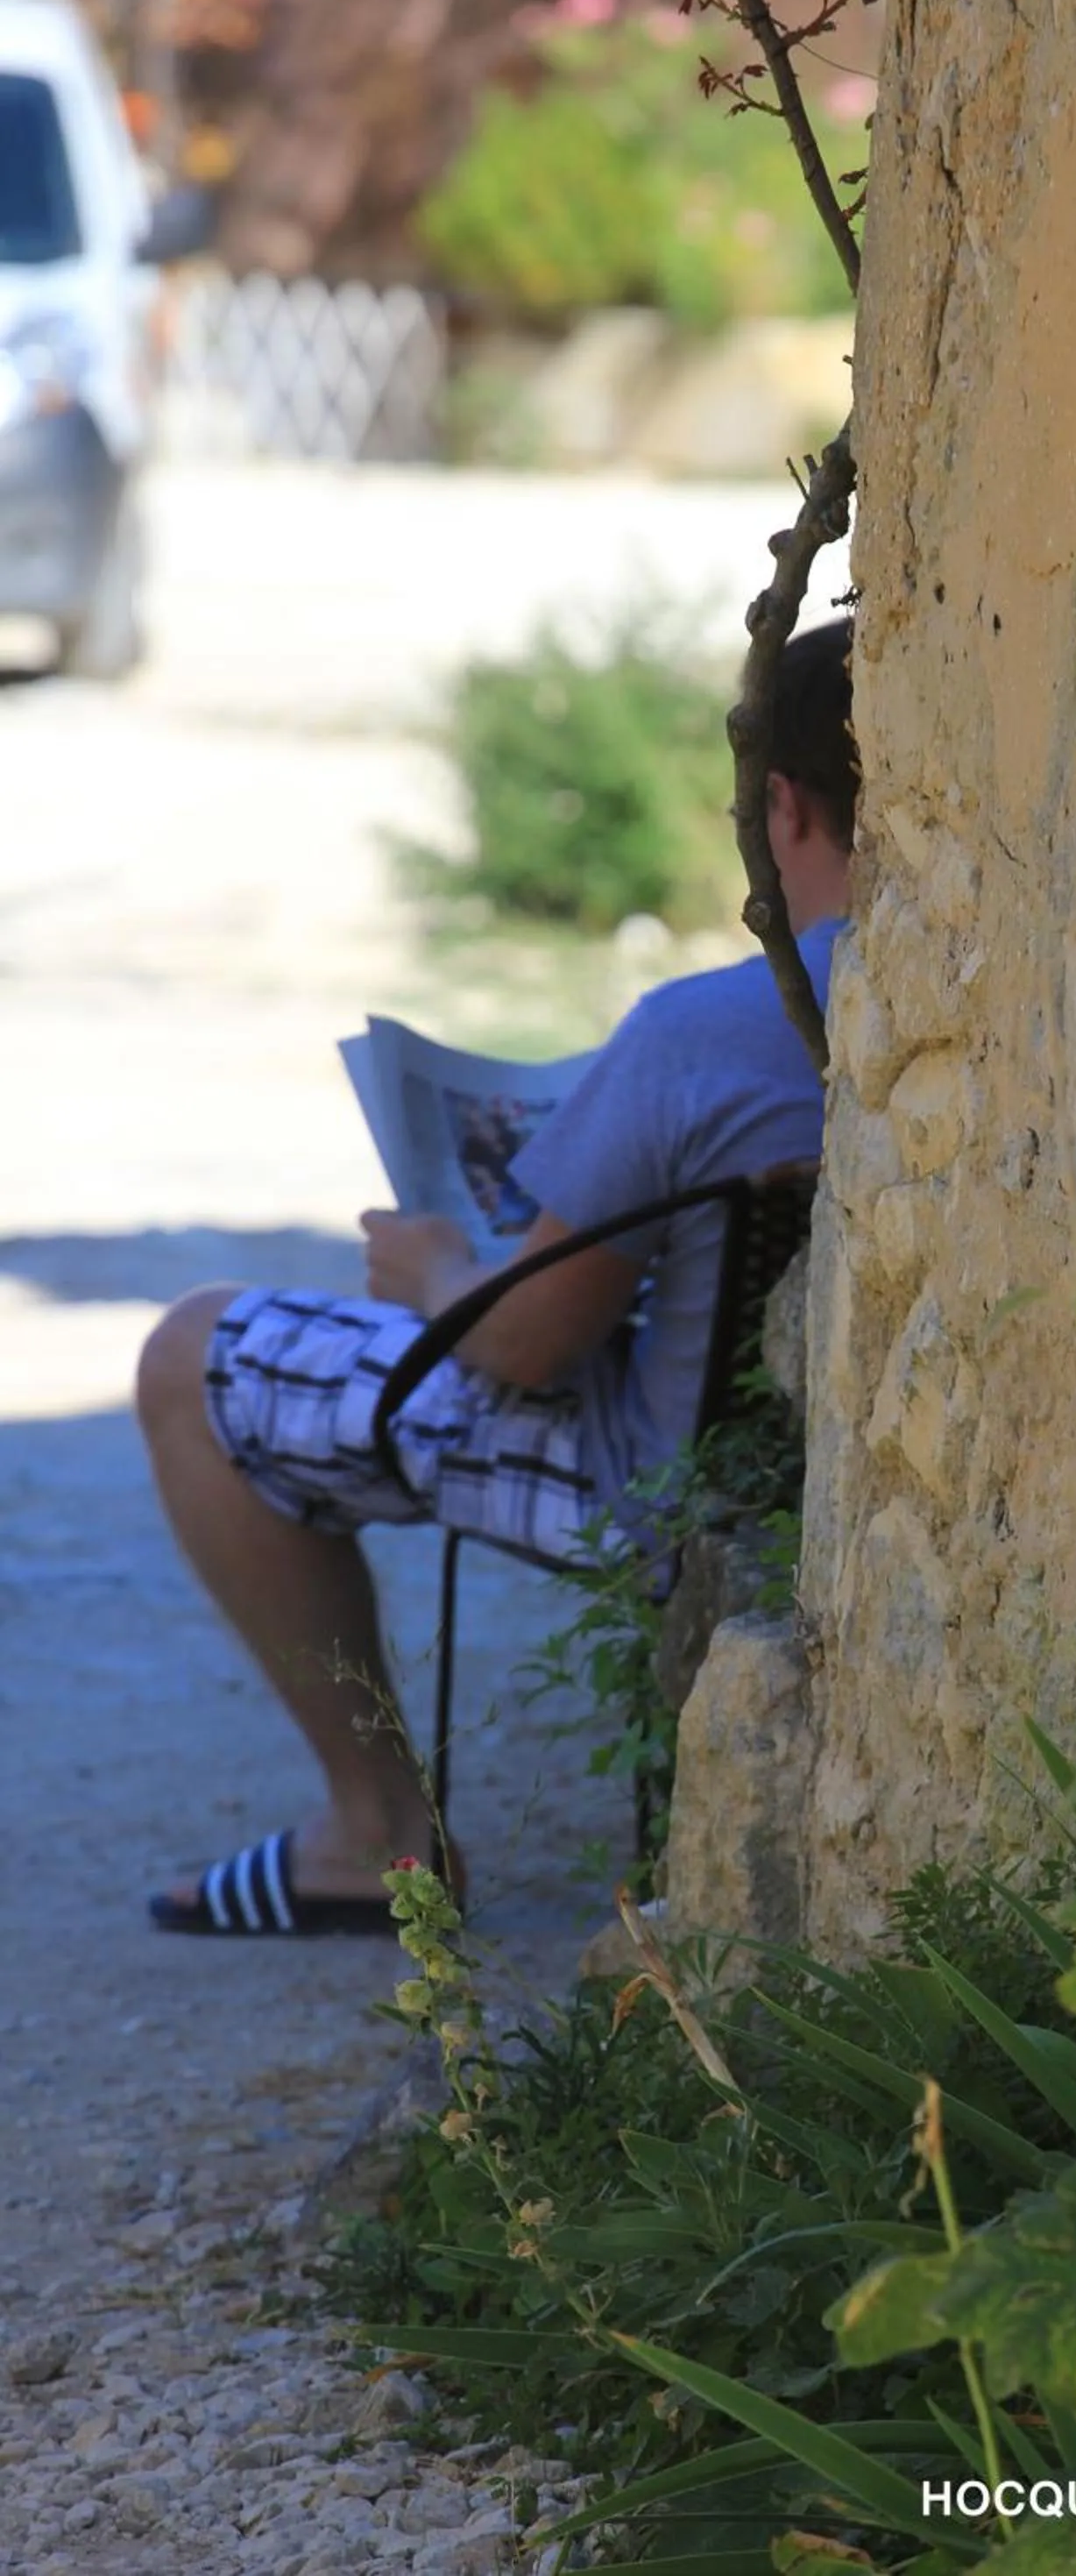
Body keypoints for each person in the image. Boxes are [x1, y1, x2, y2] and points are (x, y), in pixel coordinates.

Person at [138, 619, 857, 1937]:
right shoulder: (956, 996)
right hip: (815, 1468)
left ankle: (376, 1838)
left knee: (192, 1356)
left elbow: (525, 1349)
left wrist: (436, 1267)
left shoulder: (708, 1031)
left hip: (650, 1479)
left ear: (783, 802)